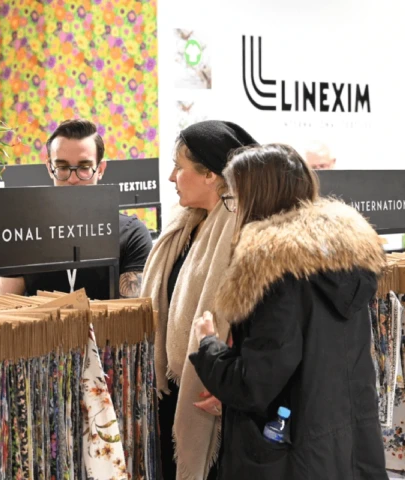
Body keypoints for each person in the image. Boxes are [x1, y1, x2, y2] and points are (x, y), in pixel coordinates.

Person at [189, 144, 387, 479]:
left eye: (234, 198)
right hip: (341, 451)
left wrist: (209, 346)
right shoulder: (342, 263)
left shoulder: (275, 272)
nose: (233, 210)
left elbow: (254, 384)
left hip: (286, 459)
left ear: (257, 199)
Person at [140, 120, 259, 479]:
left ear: (210, 175)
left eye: (179, 167)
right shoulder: (185, 225)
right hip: (173, 389)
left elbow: (255, 322)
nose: (171, 177)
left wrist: (228, 382)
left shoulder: (243, 229)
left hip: (215, 392)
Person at [0, 119, 152, 300]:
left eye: (84, 167)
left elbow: (133, 312)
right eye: (62, 167)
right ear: (50, 168)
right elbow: (4, 306)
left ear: (100, 169)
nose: (72, 179)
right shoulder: (23, 234)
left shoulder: (132, 234)